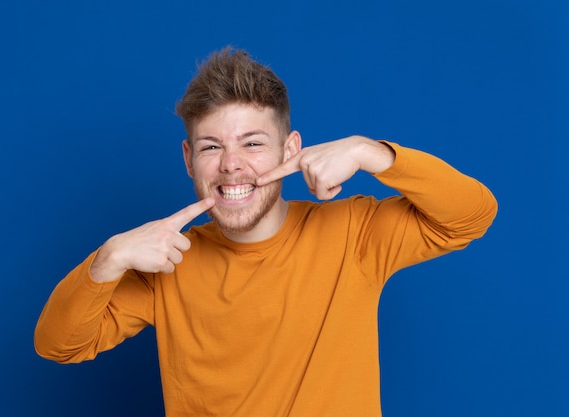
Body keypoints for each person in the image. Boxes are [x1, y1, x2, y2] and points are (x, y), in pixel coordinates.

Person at [34, 47, 498, 417]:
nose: (232, 164)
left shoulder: (353, 232)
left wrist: (369, 152)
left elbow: (472, 215)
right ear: (188, 160)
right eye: (211, 146)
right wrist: (109, 258)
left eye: (252, 143)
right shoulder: (169, 261)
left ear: (289, 149)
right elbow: (58, 345)